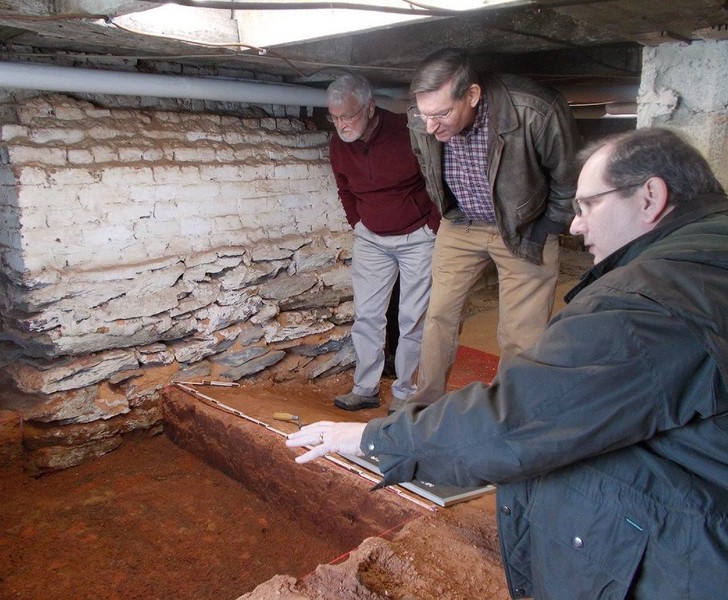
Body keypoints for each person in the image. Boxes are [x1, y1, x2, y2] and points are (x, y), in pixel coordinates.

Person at [288, 128, 728, 599]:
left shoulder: (646, 303)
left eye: (588, 206)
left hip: (684, 559)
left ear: (650, 197)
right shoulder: (706, 256)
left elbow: (514, 420)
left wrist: (369, 438)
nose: (576, 226)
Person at [405, 48, 580, 406]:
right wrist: (444, 210)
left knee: (521, 334)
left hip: (524, 228)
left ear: (472, 95)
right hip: (460, 224)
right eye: (424, 115)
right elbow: (427, 166)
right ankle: (422, 409)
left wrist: (546, 227)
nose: (430, 127)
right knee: (438, 317)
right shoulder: (421, 118)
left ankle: (510, 414)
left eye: (440, 114)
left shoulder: (535, 109)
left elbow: (570, 180)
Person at [325, 73, 440, 412]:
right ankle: (365, 388)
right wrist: (357, 224)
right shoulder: (338, 144)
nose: (342, 124)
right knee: (367, 316)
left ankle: (406, 395)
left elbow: (435, 180)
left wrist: (432, 227)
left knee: (413, 318)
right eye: (335, 117)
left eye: (348, 116)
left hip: (417, 235)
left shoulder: (407, 133)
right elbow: (344, 189)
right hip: (371, 238)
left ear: (370, 107)